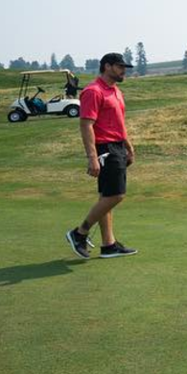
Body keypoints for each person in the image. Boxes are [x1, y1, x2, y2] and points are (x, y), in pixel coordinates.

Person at [65, 53, 138, 259]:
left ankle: (109, 245)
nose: (124, 70)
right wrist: (92, 157)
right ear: (107, 67)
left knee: (107, 196)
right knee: (116, 195)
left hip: (117, 146)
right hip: (104, 148)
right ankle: (79, 233)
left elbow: (119, 123)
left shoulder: (115, 91)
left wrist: (129, 147)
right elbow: (86, 125)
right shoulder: (93, 91)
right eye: (119, 66)